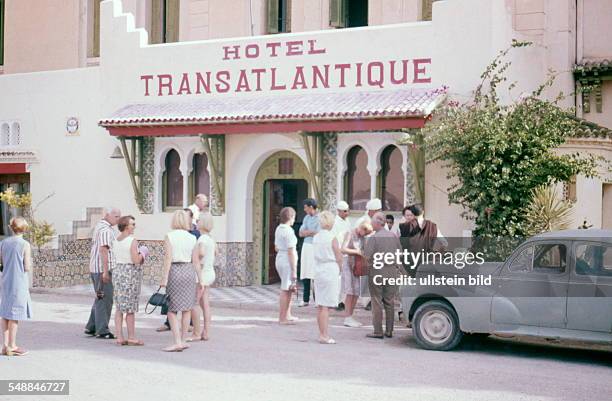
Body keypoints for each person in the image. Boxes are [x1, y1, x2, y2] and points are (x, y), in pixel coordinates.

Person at [160, 210, 197, 352]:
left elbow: (168, 259)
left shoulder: (170, 236)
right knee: (187, 308)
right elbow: (195, 260)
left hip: (175, 271)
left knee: (172, 309)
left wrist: (164, 278)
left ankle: (177, 342)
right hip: (189, 271)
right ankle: (183, 339)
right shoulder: (192, 238)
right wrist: (199, 278)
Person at [364, 212, 403, 339]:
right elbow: (400, 253)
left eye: (372, 221)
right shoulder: (393, 236)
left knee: (376, 301)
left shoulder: (373, 238)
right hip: (392, 272)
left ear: (377, 223)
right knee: (389, 302)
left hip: (377, 271)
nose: (370, 223)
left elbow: (367, 256)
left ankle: (378, 331)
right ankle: (389, 330)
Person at [85, 207, 121, 339]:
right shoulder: (105, 230)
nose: (118, 220)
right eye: (116, 216)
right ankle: (102, 330)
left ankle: (92, 326)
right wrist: (105, 272)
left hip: (96, 268)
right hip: (102, 269)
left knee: (99, 297)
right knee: (105, 299)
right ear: (107, 215)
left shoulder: (100, 227)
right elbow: (103, 250)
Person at [112, 216, 148, 346]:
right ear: (126, 226)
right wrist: (143, 253)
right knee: (130, 308)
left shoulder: (116, 239)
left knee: (119, 307)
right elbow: (136, 260)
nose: (134, 226)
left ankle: (120, 337)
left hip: (118, 271)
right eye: (133, 224)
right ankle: (132, 337)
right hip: (129, 273)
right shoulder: (132, 241)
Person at [0, 217, 33, 356]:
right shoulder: (25, 245)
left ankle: (5, 345)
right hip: (18, 282)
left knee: (5, 313)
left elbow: (1, 261)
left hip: (6, 280)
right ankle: (13, 346)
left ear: (10, 227)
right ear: (24, 229)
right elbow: (26, 267)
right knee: (15, 314)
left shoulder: (3, 243)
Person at [312, 211, 343, 344]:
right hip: (330, 269)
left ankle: (321, 333)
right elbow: (339, 257)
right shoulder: (332, 237)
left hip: (319, 269)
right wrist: (340, 270)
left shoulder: (316, 237)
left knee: (320, 304)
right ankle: (324, 335)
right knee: (325, 306)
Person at [340, 221, 373, 327]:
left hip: (357, 266)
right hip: (348, 265)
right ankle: (347, 317)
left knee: (356, 292)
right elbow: (343, 249)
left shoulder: (362, 237)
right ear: (361, 229)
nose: (365, 235)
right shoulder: (350, 233)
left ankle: (350, 316)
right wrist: (356, 252)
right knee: (350, 292)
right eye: (366, 233)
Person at [190, 212, 217, 341]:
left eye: (199, 220)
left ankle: (196, 332)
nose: (197, 221)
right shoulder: (211, 239)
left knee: (194, 303)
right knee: (205, 303)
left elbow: (200, 254)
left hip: (202, 274)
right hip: (210, 272)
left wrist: (195, 258)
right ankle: (206, 332)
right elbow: (216, 252)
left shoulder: (201, 239)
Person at [273, 207, 299, 325]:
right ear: (291, 218)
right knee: (285, 288)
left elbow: (276, 246)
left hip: (280, 257)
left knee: (288, 288)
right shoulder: (289, 231)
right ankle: (282, 318)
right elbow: (291, 251)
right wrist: (294, 270)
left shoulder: (279, 228)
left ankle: (287, 314)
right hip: (287, 260)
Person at [355, 198, 381, 311]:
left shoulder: (378, 220)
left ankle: (374, 300)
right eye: (376, 210)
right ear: (371, 211)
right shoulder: (362, 220)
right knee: (365, 277)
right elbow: (357, 237)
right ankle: (366, 301)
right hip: (364, 252)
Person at [298, 198, 320, 307]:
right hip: (306, 247)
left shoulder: (320, 218)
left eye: (305, 207)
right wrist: (310, 232)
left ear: (311, 207)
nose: (304, 210)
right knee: (305, 272)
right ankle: (305, 299)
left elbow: (319, 233)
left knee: (315, 274)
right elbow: (300, 233)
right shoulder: (306, 218)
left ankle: (318, 300)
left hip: (315, 247)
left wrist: (309, 232)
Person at [331, 201, 351, 311]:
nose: (347, 213)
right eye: (344, 211)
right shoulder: (334, 222)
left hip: (346, 253)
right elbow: (334, 240)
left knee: (344, 280)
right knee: (337, 278)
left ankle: (342, 301)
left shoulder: (347, 221)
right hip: (337, 254)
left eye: (348, 211)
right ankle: (336, 301)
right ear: (338, 211)